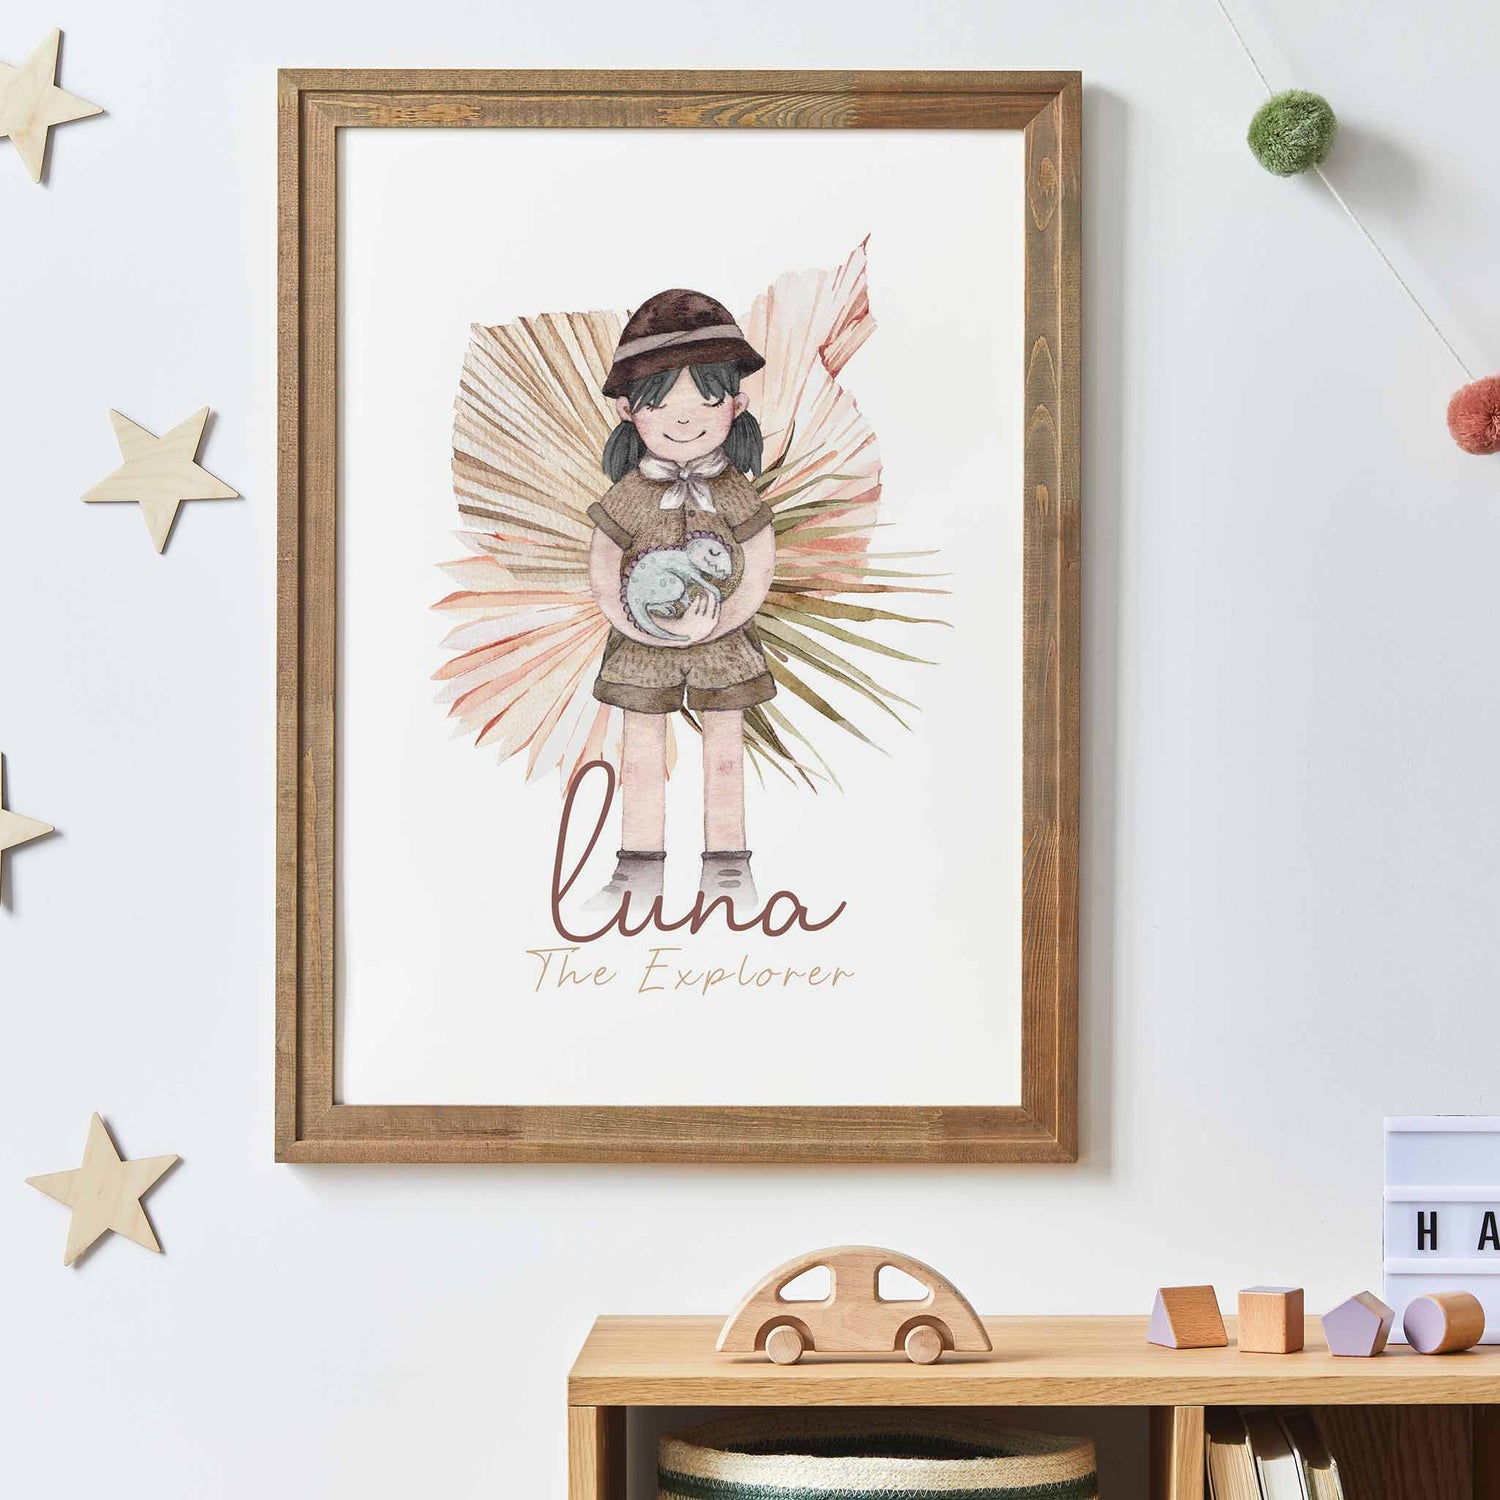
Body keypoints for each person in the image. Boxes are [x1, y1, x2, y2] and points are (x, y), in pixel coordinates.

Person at [585, 288, 776, 917]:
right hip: (642, 646)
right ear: (627, 411)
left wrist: (722, 618)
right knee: (641, 752)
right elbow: (604, 565)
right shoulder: (633, 493)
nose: (685, 418)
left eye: (708, 399)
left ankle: (728, 873)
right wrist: (630, 621)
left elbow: (760, 566)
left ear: (737, 404)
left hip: (723, 643)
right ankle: (639, 870)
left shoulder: (735, 490)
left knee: (724, 753)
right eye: (661, 403)